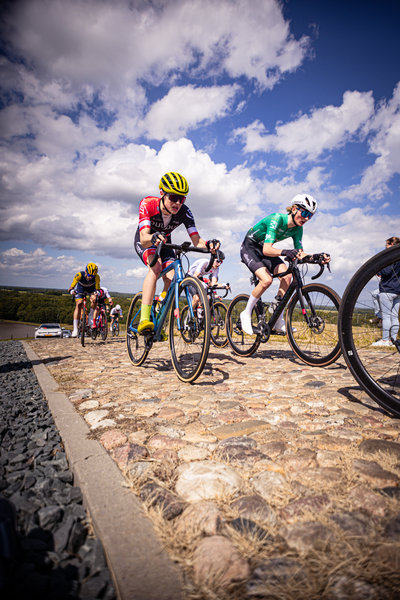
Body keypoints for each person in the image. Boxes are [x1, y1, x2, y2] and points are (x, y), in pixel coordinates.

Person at [134, 171, 220, 336]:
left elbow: (197, 241)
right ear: (162, 193)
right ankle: (144, 319)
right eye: (173, 197)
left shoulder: (184, 212)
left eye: (182, 199)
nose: (178, 203)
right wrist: (152, 237)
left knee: (173, 276)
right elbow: (144, 236)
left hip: (165, 242)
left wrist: (209, 244)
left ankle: (159, 308)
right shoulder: (148, 203)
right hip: (146, 239)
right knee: (156, 267)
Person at [239, 194, 330, 335]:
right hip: (250, 247)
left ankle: (277, 319)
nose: (306, 218)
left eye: (310, 216)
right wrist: (286, 251)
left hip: (265, 250)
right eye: (304, 213)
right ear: (294, 209)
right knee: (266, 280)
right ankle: (246, 313)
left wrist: (315, 257)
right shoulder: (276, 219)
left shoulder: (298, 228)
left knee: (287, 277)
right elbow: (267, 249)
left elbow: (300, 253)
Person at [372, 236, 400, 347]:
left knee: (386, 316)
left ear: (392, 245)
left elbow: (387, 271)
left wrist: (379, 270)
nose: (385, 248)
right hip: (398, 290)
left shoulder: (391, 257)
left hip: (388, 289)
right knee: (394, 316)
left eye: (387, 245)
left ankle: (385, 340)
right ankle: (393, 341)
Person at [68, 263, 100, 338]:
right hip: (80, 288)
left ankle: (91, 316)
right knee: (79, 303)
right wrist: (71, 291)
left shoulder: (97, 277)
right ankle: (75, 329)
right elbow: (71, 287)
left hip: (91, 288)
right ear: (85, 271)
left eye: (92, 276)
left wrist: (97, 292)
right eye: (89, 275)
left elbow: (98, 289)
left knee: (94, 299)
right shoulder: (79, 275)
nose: (90, 277)